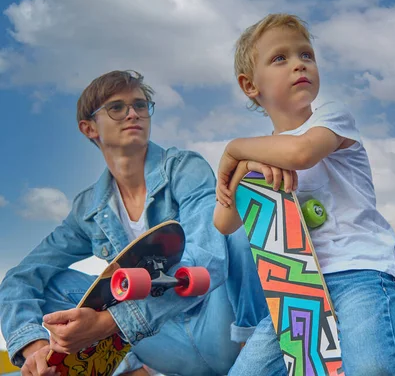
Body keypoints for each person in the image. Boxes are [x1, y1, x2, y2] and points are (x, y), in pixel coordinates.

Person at [212, 13, 395, 375]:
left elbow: (301, 153)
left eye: (306, 55)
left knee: (372, 368)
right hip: (296, 289)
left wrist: (234, 149)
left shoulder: (330, 119)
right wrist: (241, 168)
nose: (298, 65)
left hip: (361, 272)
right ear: (249, 86)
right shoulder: (259, 153)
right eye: (280, 58)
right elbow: (224, 223)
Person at [0, 70, 268, 376]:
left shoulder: (183, 169)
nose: (132, 113)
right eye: (117, 108)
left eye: (140, 105)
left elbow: (210, 261)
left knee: (236, 229)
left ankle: (256, 357)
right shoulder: (88, 209)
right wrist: (33, 347)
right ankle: (132, 370)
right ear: (89, 128)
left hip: (220, 323)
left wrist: (109, 323)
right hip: (160, 341)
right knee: (52, 283)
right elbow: (20, 278)